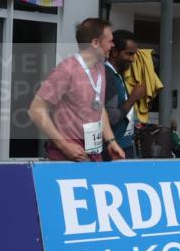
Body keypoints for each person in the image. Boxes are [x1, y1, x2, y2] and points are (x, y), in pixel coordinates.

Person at [28, 18, 125, 162]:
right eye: (110, 41)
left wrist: (111, 141)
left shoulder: (100, 69)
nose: (113, 45)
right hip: (67, 156)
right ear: (95, 43)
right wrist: (64, 145)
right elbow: (36, 110)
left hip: (93, 154)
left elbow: (99, 107)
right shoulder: (67, 69)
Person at [103, 29, 147, 160]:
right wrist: (133, 97)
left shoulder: (119, 74)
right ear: (115, 52)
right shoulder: (107, 75)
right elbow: (112, 118)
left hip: (125, 144)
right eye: (129, 54)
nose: (132, 59)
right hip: (113, 149)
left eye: (134, 54)